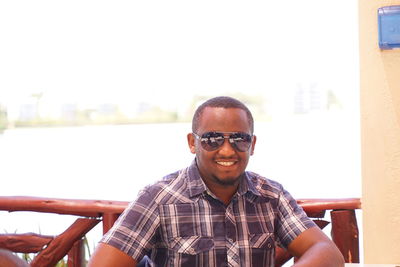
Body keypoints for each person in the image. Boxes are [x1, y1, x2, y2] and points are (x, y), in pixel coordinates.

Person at [88, 96, 344, 267]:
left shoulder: (271, 196)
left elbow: (326, 251)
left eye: (239, 139)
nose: (226, 150)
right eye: (212, 139)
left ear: (252, 145)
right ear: (192, 142)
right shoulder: (160, 198)